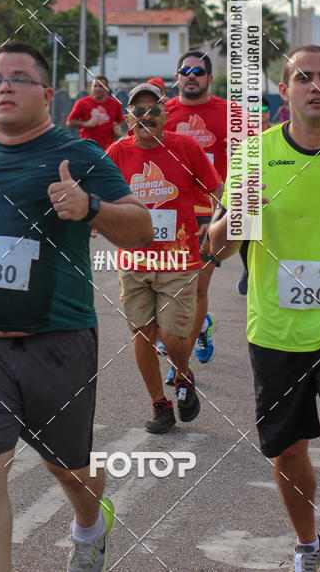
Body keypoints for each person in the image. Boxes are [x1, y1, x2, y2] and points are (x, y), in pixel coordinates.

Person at [0, 40, 153, 572]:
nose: (4, 87)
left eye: (18, 78)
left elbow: (140, 226)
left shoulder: (79, 154)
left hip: (59, 341)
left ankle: (91, 521)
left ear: (47, 94)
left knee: (70, 472)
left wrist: (90, 207)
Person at [208, 45, 320, 572]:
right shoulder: (252, 156)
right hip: (276, 328)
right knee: (287, 452)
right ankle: (308, 544)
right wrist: (239, 217)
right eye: (304, 77)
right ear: (283, 91)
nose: (317, 86)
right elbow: (213, 248)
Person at [106, 84, 222, 433]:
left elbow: (217, 189)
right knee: (142, 336)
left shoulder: (185, 147)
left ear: (165, 115)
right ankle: (160, 405)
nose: (146, 116)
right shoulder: (116, 152)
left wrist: (214, 225)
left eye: (153, 109)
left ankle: (184, 377)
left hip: (178, 261)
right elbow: (98, 197)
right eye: (138, 111)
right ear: (128, 117)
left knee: (172, 336)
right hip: (134, 263)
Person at [163, 49, 230, 372]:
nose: (192, 75)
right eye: (185, 70)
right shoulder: (162, 113)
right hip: (169, 215)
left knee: (198, 285)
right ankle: (200, 326)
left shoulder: (229, 113)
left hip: (211, 214)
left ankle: (181, 365)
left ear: (209, 79)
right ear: (177, 76)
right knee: (169, 284)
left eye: (198, 71)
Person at [237, 95, 272, 296]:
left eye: (264, 109)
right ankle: (248, 269)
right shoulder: (240, 137)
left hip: (273, 192)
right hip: (248, 195)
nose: (259, 113)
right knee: (245, 239)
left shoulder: (280, 134)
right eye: (254, 110)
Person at [67, 75, 124, 149]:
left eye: (101, 86)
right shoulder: (82, 103)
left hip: (108, 148)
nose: (97, 89)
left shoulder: (115, 104)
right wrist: (86, 123)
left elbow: (121, 121)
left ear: (107, 88)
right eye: (95, 86)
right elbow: (70, 122)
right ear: (91, 87)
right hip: (87, 147)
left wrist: (118, 127)